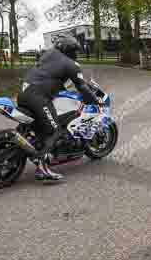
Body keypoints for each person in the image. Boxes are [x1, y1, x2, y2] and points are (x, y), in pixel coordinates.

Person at [17, 34, 100, 182]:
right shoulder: (70, 64)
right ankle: (42, 168)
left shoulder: (48, 54)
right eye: (75, 51)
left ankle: (32, 146)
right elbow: (82, 87)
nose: (76, 54)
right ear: (69, 50)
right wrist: (95, 101)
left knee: (40, 126)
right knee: (55, 131)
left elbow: (52, 77)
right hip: (38, 97)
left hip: (23, 93)